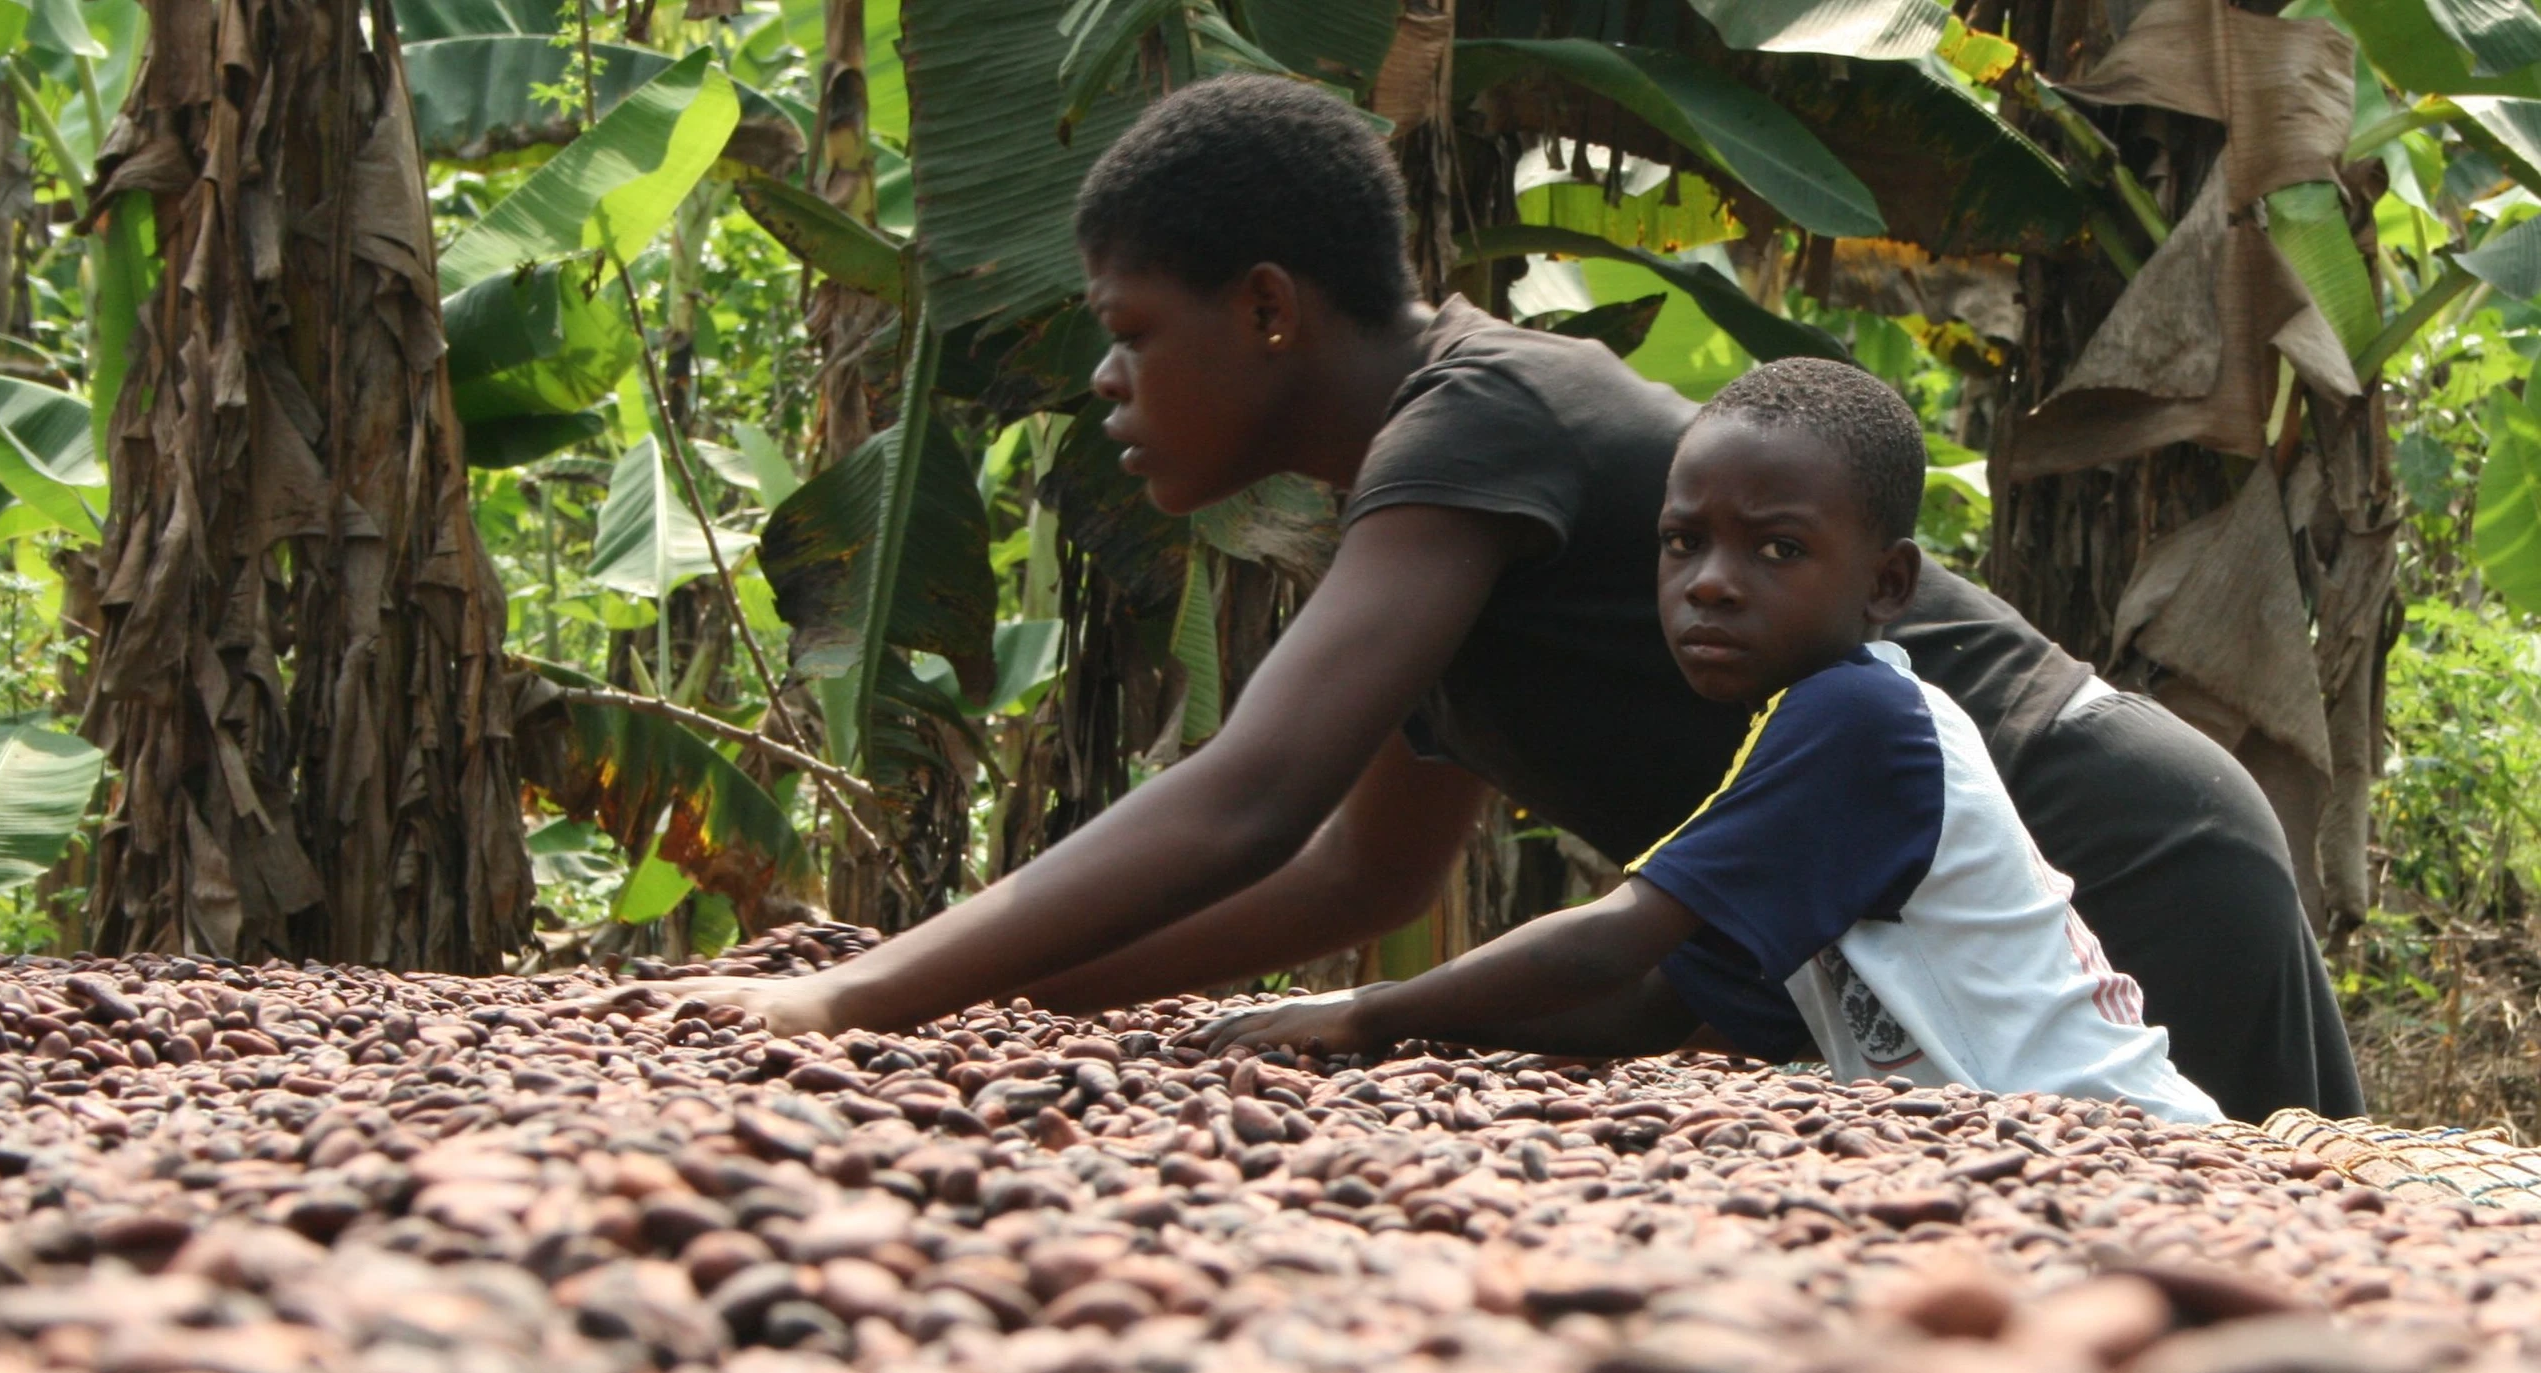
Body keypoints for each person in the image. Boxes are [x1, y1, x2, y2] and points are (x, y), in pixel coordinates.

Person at [609, 74, 2356, 1122]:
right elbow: (1364, 871)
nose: (1109, 386)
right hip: (1929, 927)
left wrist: (860, 1000)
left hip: (2104, 836)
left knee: (2281, 1326)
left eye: (1135, 334)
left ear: (1273, 310)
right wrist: (1000, 993)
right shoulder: (1425, 509)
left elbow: (1250, 797)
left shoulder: (1474, 425)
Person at [1193, 359, 2223, 1123]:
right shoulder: (1810, 727)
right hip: (2048, 1145)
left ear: (1887, 586)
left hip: (2125, 1136)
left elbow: (1618, 938)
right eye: (1682, 542)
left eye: (1778, 548)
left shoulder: (1858, 719)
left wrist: (1373, 1012)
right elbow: (1647, 1006)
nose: (1712, 581)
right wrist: (1425, 1034)